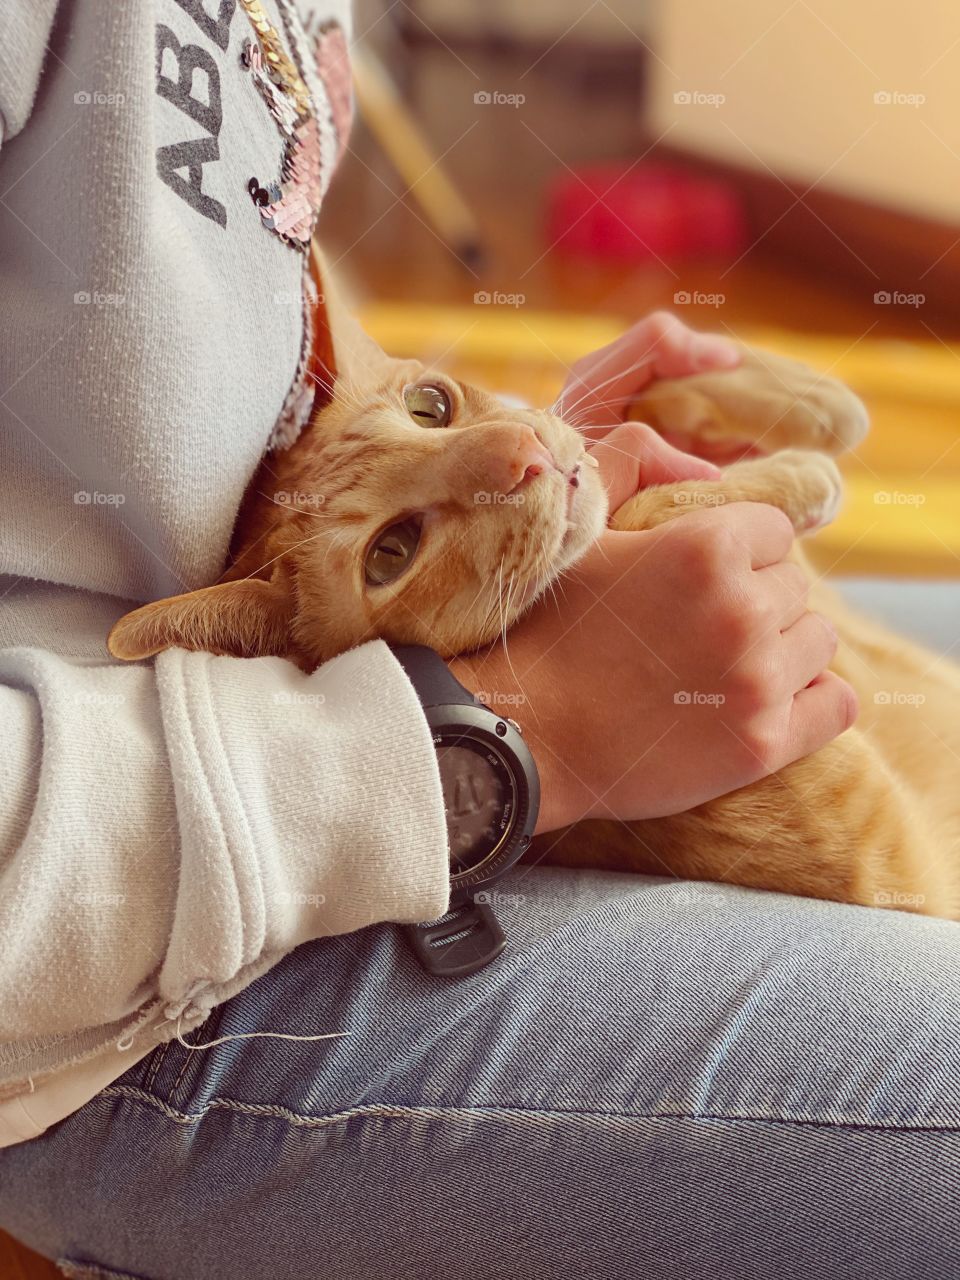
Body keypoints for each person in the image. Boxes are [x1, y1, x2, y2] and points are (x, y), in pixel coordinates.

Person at [1, 3, 957, 1278]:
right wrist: (529, 726)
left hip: (343, 755)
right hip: (131, 1001)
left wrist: (570, 464)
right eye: (392, 545)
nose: (500, 449)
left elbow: (255, 273)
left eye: (438, 407)